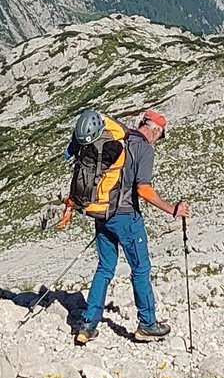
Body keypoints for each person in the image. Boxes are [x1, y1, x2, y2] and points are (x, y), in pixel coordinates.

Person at [76, 108, 190, 345]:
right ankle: (147, 324)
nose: (158, 139)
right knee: (140, 268)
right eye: (160, 134)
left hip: (102, 212)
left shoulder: (120, 137)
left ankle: (88, 325)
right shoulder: (145, 149)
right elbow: (143, 189)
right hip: (126, 216)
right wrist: (173, 210)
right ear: (156, 130)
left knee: (105, 267)